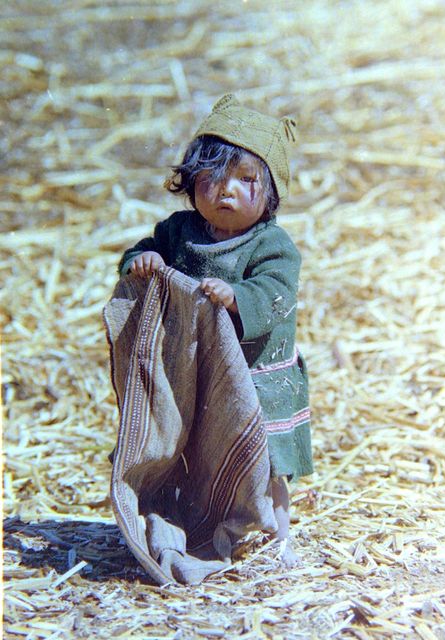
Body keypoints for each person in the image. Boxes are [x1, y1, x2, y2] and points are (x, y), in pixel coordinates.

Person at [118, 94, 313, 566]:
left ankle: (277, 534)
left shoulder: (273, 246)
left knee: (267, 462)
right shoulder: (179, 232)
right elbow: (141, 254)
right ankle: (196, 522)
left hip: (257, 375)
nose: (226, 190)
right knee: (197, 452)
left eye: (246, 180)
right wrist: (142, 261)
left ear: (270, 194)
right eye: (211, 177)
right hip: (197, 375)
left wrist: (237, 298)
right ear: (189, 182)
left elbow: (274, 293)